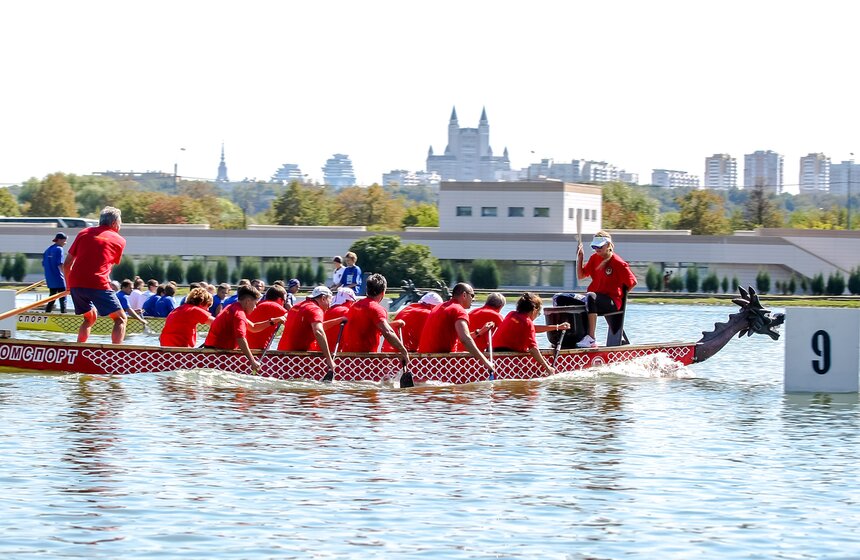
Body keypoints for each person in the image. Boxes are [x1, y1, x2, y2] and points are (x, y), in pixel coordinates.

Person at [62, 206, 128, 344]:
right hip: (97, 283)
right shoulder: (120, 240)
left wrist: (69, 287)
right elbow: (108, 265)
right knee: (120, 319)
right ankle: (115, 353)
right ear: (114, 223)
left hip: (76, 284)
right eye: (120, 223)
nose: (120, 226)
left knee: (90, 318)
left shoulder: (83, 233)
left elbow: (67, 265)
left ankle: (79, 348)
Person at [576, 230, 637, 348]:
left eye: (599, 246)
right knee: (565, 298)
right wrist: (580, 258)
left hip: (612, 301)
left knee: (590, 297)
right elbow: (581, 275)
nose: (596, 249)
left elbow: (633, 282)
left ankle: (591, 339)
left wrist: (620, 297)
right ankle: (574, 338)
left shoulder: (618, 262)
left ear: (608, 245)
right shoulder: (594, 258)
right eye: (594, 246)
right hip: (596, 299)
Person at [418, 282, 495, 375]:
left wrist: (480, 332)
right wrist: (486, 362)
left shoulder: (438, 307)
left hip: (423, 364)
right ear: (464, 295)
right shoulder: (459, 310)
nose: (473, 299)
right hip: (440, 365)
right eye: (472, 295)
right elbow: (465, 339)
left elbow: (459, 339)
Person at [203, 285, 284, 373]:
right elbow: (241, 339)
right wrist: (252, 361)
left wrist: (272, 321)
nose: (255, 307)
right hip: (217, 355)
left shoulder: (233, 307)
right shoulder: (239, 315)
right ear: (248, 301)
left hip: (213, 351)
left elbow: (253, 327)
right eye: (255, 303)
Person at [492, 292, 571, 376]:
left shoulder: (512, 314)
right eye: (538, 313)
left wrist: (557, 327)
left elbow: (531, 328)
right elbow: (533, 350)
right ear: (534, 310)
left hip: (493, 352)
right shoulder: (527, 322)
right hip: (507, 358)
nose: (537, 316)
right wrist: (547, 368)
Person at [340, 274, 409, 364]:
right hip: (366, 361)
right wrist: (403, 351)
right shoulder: (377, 309)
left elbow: (368, 327)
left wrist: (394, 324)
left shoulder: (355, 305)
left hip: (347, 360)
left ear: (367, 290)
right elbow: (387, 332)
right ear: (383, 292)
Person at [277, 285, 338, 375]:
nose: (330, 305)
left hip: (280, 357)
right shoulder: (315, 309)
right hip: (298, 360)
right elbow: (318, 332)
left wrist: (338, 321)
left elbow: (312, 328)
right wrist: (329, 359)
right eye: (330, 300)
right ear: (323, 298)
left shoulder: (297, 306)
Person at [311, 287, 357, 351]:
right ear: (349, 301)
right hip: (337, 352)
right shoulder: (346, 312)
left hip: (320, 349)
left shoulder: (326, 310)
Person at [246, 285, 289, 350]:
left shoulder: (257, 304)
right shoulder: (276, 306)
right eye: (284, 301)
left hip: (244, 347)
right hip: (260, 349)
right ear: (280, 299)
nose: (284, 304)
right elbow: (292, 323)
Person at [42, 232, 67, 313]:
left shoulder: (47, 250)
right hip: (58, 277)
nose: (65, 243)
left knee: (52, 297)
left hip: (50, 278)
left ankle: (47, 312)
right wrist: (66, 276)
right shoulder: (59, 249)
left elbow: (44, 264)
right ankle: (63, 313)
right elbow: (60, 264)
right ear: (59, 240)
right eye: (64, 240)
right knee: (63, 297)